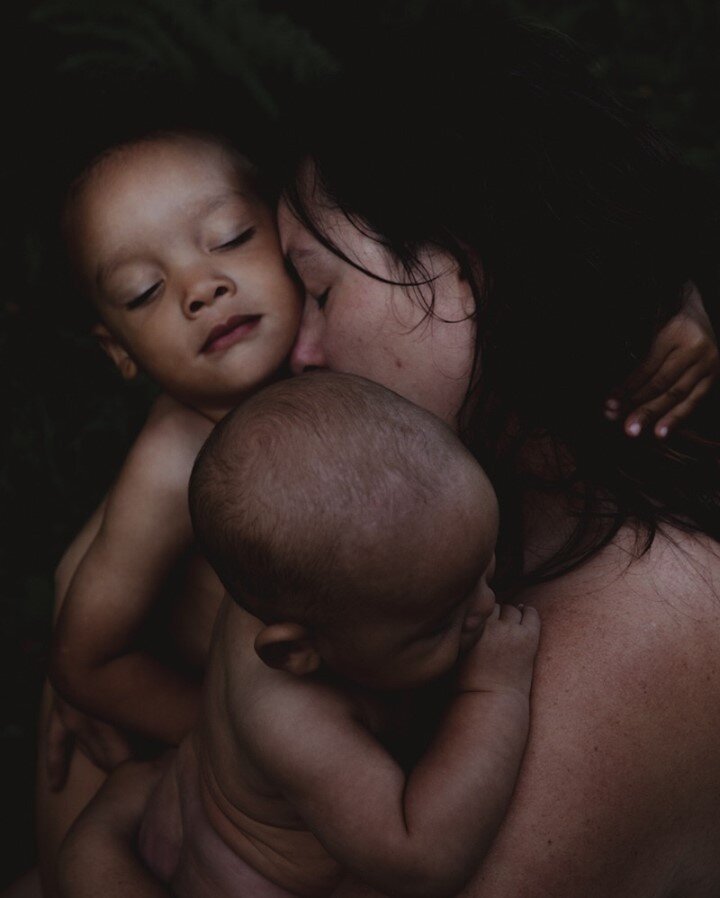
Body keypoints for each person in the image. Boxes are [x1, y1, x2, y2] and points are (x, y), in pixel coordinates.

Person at [54, 8, 720, 898]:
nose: (297, 349)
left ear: (481, 264)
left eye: (318, 289)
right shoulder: (407, 504)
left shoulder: (640, 630)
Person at [130, 372, 538, 898]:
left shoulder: (313, 591)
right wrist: (494, 694)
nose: (486, 606)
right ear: (296, 651)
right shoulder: (289, 716)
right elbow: (420, 860)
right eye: (438, 624)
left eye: (485, 567)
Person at [36, 127, 300, 894]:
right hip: (196, 742)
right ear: (118, 350)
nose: (200, 287)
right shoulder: (174, 459)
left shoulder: (346, 361)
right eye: (144, 293)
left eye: (231, 238)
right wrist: (239, 745)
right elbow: (85, 660)